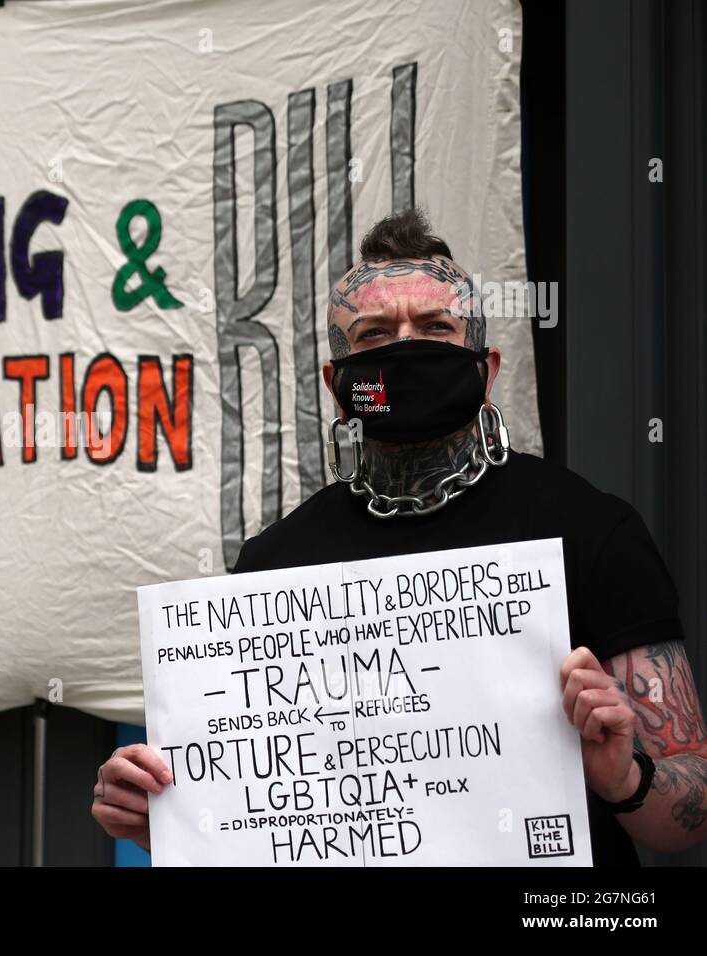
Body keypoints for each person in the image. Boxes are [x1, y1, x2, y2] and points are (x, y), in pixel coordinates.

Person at [91, 209, 707, 865]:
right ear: (337, 384)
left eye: (436, 328)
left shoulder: (587, 531)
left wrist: (623, 776)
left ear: (485, 368)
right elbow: (261, 817)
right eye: (374, 335)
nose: (405, 348)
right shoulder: (275, 564)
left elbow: (689, 817)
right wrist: (177, 820)